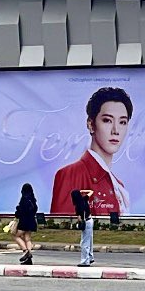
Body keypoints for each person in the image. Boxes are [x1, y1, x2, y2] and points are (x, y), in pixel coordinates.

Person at [49, 87, 132, 217]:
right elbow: (61, 227)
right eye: (107, 120)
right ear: (91, 125)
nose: (116, 130)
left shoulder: (118, 185)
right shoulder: (70, 176)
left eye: (122, 122)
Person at [13, 184, 40, 264]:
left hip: (24, 221)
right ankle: (29, 258)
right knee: (27, 239)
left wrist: (17, 211)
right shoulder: (33, 200)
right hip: (31, 221)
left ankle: (25, 251)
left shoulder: (24, 199)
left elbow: (20, 212)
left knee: (16, 236)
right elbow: (34, 210)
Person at [72, 187, 96, 267]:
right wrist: (83, 191)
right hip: (90, 220)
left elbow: (79, 218)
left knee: (84, 242)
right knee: (89, 241)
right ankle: (90, 257)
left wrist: (78, 224)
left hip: (86, 222)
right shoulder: (84, 199)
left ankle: (85, 261)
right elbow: (91, 191)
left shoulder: (78, 206)